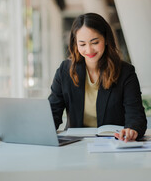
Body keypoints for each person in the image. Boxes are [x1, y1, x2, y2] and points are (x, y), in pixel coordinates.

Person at [48, 13, 147, 142]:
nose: (89, 50)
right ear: (75, 44)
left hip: (113, 143)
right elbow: (52, 112)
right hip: (76, 144)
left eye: (95, 42)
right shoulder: (65, 71)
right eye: (82, 44)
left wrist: (132, 130)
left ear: (106, 39)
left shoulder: (125, 72)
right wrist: (41, 130)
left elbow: (136, 115)